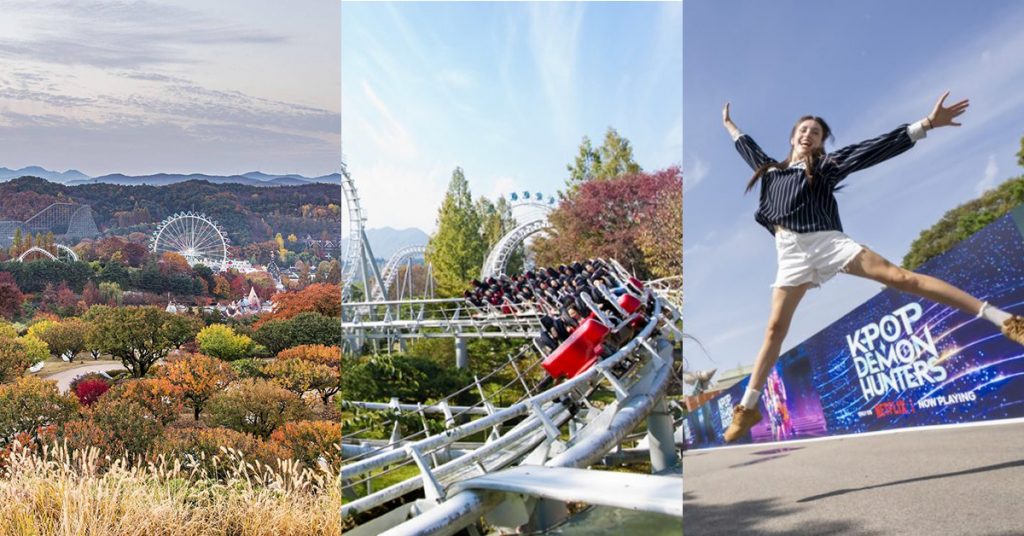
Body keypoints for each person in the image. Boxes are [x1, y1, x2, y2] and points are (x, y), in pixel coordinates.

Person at [720, 92, 1024, 442]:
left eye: (816, 133)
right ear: (792, 137)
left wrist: (925, 124)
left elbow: (871, 150)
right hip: (789, 252)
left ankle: (1005, 320)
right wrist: (729, 125)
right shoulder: (771, 172)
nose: (808, 134)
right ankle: (747, 408)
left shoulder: (825, 167)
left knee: (900, 278)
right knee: (774, 330)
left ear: (820, 143)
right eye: (803, 130)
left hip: (827, 242)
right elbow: (747, 147)